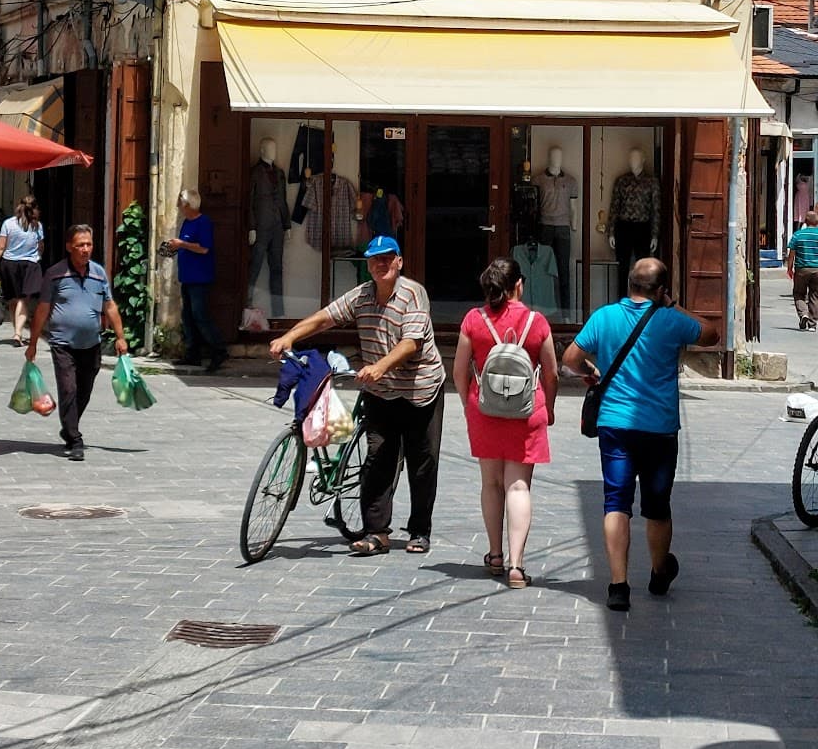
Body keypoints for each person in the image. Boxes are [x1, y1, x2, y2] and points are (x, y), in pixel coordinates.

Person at [269, 234, 445, 556]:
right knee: (379, 458)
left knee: (423, 461)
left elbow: (411, 343)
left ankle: (420, 530)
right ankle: (377, 532)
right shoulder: (362, 296)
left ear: (399, 261)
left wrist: (380, 366)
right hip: (380, 390)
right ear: (368, 265)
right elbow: (326, 317)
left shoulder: (412, 294)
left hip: (420, 388)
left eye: (387, 258)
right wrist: (290, 335)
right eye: (375, 259)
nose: (381, 264)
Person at [563, 257, 718, 612]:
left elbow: (570, 357)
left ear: (629, 284)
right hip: (659, 428)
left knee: (616, 502)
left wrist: (591, 371)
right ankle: (659, 571)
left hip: (615, 425)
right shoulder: (671, 320)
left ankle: (618, 586)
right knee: (657, 507)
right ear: (661, 290)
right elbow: (712, 334)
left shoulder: (604, 317)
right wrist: (673, 303)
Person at [452, 257, 559, 588]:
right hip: (526, 411)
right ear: (519, 285)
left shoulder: (474, 319)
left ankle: (495, 554)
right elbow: (551, 371)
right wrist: (549, 407)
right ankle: (517, 565)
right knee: (518, 485)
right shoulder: (537, 321)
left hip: (485, 410)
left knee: (491, 483)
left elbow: (458, 370)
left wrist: (469, 404)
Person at [28, 224, 128, 462]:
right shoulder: (54, 274)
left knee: (84, 390)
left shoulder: (98, 273)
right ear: (69, 247)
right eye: (80, 245)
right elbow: (42, 309)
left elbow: (110, 306)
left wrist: (120, 336)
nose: (85, 249)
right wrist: (32, 342)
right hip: (62, 344)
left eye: (89, 245)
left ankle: (68, 426)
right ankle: (75, 439)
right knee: (68, 389)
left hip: (91, 344)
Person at [167, 189, 226, 373]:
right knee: (188, 316)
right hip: (188, 276)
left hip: (200, 277)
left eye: (181, 203)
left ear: (188, 205)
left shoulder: (203, 222)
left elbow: (204, 248)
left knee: (201, 316)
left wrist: (181, 244)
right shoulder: (187, 222)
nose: (180, 207)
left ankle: (219, 350)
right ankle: (193, 353)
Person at [0, 195, 45, 346]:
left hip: (9, 264)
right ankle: (18, 332)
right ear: (34, 209)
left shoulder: (8, 223)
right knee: (23, 300)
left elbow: (0, 246)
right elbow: (41, 247)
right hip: (29, 265)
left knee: (14, 299)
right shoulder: (37, 226)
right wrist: (37, 256)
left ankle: (17, 332)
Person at [786, 208, 818, 331]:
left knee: (799, 293)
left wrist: (789, 268)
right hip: (817, 269)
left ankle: (803, 314)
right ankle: (812, 324)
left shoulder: (798, 235)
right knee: (815, 296)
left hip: (801, 269)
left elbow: (791, 254)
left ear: (805, 221)